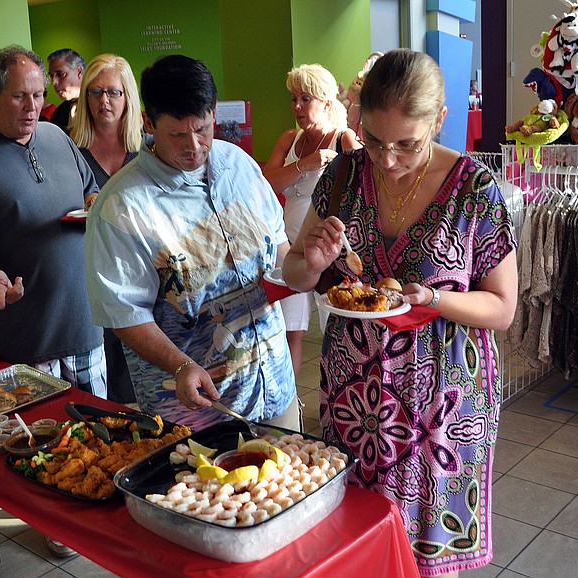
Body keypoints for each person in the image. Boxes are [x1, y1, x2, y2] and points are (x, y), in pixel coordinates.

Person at [282, 49, 518, 577]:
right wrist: (313, 260)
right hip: (355, 396)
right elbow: (297, 274)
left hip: (444, 401)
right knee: (359, 540)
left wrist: (433, 298)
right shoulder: (343, 172)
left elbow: (502, 308)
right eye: (374, 140)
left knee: (427, 544)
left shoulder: (474, 188)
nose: (387, 160)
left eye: (407, 144)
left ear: (439, 119)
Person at [85, 54, 298, 432]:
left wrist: (310, 262)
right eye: (178, 135)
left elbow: (278, 253)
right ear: (148, 122)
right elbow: (124, 315)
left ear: (214, 112)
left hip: (274, 390)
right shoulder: (122, 206)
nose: (195, 145)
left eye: (203, 128)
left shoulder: (240, 166)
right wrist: (181, 364)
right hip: (194, 415)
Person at [0, 44, 106, 399]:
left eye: (38, 94)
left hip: (84, 329)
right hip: (23, 340)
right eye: (19, 97)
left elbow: (91, 191)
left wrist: (93, 204)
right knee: (38, 444)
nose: (32, 107)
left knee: (103, 441)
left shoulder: (57, 136)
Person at [262, 64, 359, 377]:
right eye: (293, 99)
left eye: (305, 99)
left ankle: (345, 390)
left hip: (329, 250)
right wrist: (307, 164)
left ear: (326, 103)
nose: (297, 107)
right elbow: (265, 186)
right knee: (290, 330)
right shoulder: (290, 138)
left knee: (337, 326)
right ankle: (293, 406)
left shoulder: (342, 138)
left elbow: (362, 189)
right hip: (289, 247)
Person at [70, 53, 143, 404]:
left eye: (114, 92)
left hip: (141, 274)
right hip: (88, 274)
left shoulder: (147, 150)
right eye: (96, 92)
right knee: (104, 382)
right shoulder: (71, 151)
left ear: (128, 96)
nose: (104, 101)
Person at [48, 48, 85, 132]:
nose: (53, 82)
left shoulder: (99, 106)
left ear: (79, 72)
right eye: (51, 76)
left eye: (61, 74)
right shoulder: (58, 114)